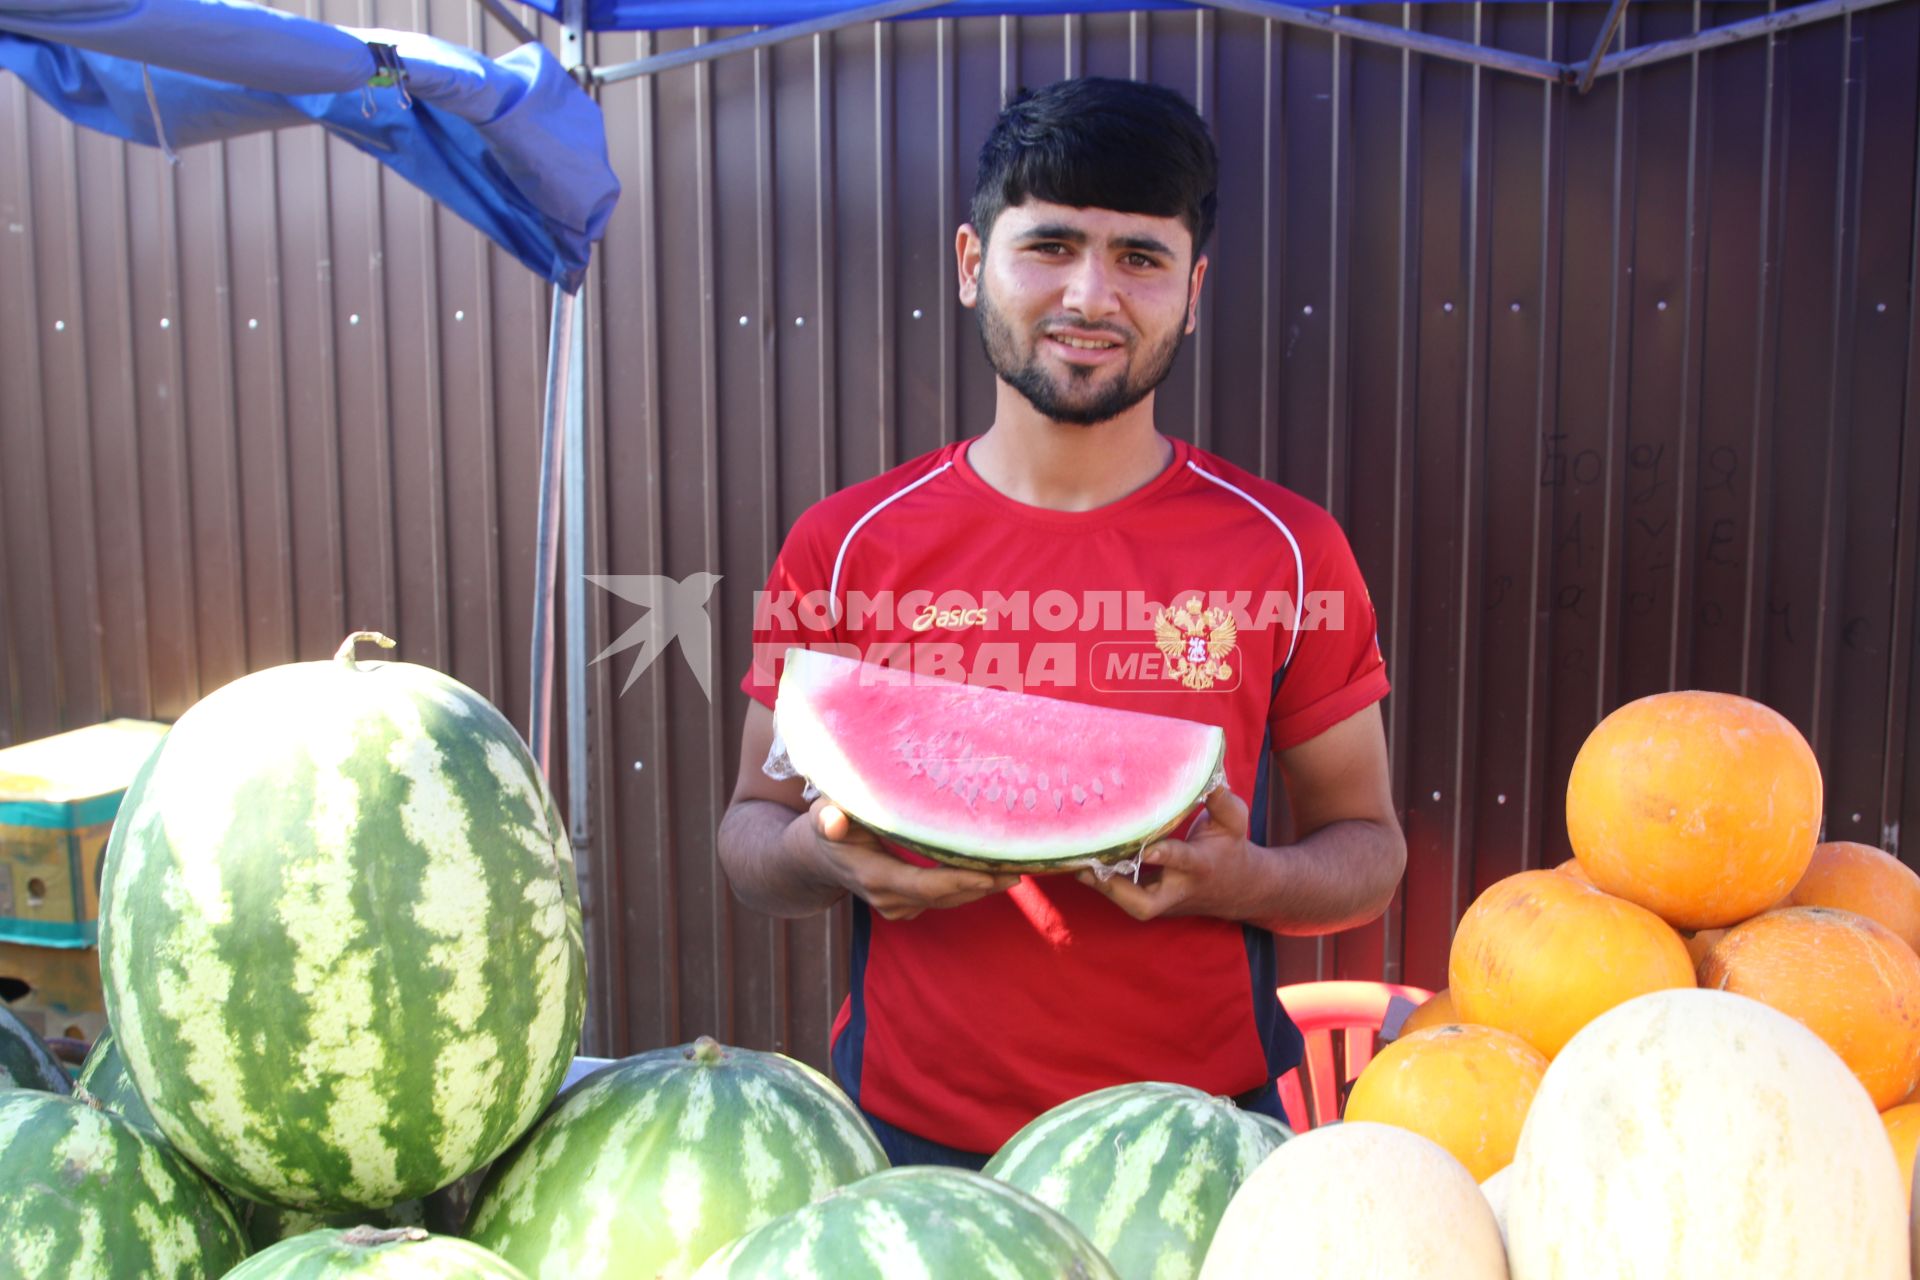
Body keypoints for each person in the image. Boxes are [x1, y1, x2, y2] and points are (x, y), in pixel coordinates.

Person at [717, 76, 1406, 1168]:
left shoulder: (1289, 548)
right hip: (909, 1139)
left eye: (1140, 256)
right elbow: (748, 835)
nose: (1091, 295)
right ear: (969, 263)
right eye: (1049, 244)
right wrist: (822, 855)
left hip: (1198, 1135)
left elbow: (1368, 848)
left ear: (1195, 290)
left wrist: (1247, 879)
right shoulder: (845, 543)